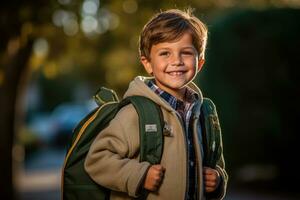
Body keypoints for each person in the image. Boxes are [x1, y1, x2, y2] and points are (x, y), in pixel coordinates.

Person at [84, 8, 228, 200]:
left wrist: (217, 180)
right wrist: (139, 176)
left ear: (199, 63)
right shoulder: (135, 112)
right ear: (148, 63)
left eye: (185, 53)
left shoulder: (203, 113)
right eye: (165, 53)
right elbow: (97, 160)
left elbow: (216, 162)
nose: (176, 61)